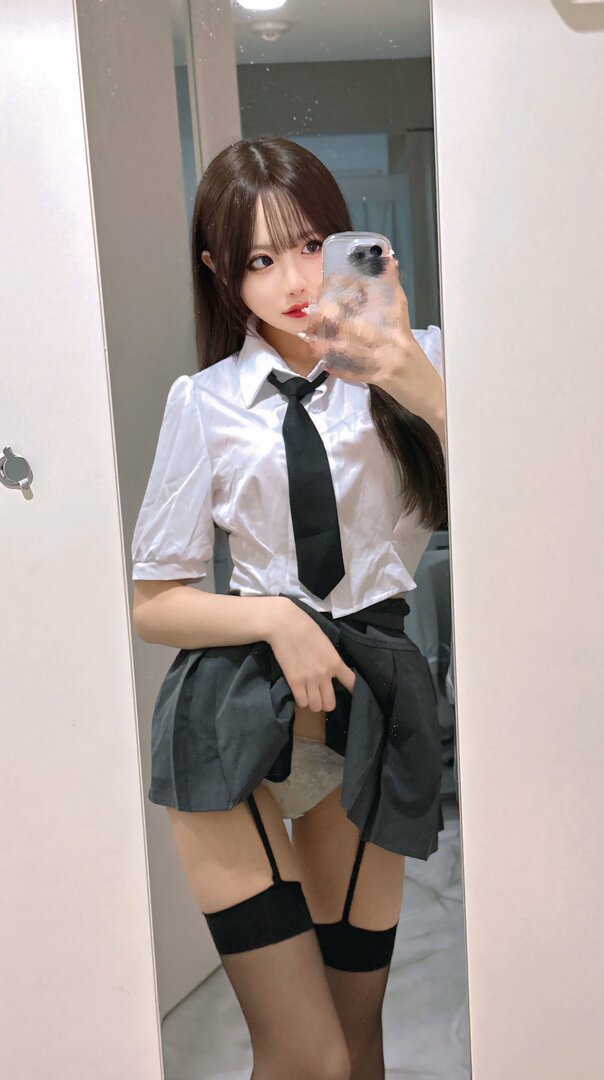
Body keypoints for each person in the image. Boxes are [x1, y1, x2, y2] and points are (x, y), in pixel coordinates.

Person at [130, 134, 447, 1080]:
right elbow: (156, 603)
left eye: (311, 245)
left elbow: (519, 495)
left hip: (373, 701)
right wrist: (276, 618)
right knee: (306, 1054)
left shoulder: (419, 365)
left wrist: (406, 371)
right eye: (262, 260)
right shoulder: (203, 403)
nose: (297, 280)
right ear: (220, 272)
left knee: (358, 1044)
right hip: (235, 710)